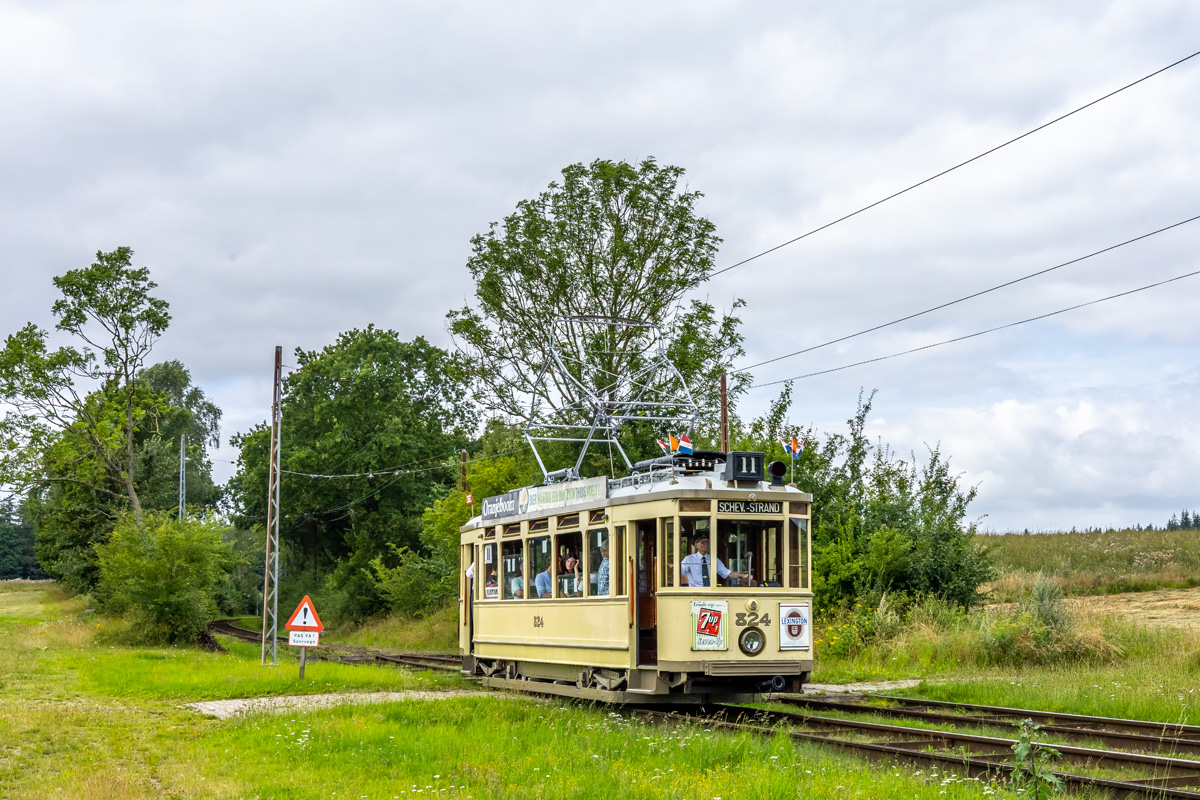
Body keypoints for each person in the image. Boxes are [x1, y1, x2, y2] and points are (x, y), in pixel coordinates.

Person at [680, 532, 750, 587]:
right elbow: (679, 572)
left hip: (711, 592)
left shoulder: (713, 559)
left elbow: (727, 573)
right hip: (695, 593)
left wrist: (743, 575)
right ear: (696, 545)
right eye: (703, 542)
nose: (706, 544)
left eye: (707, 542)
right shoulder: (689, 559)